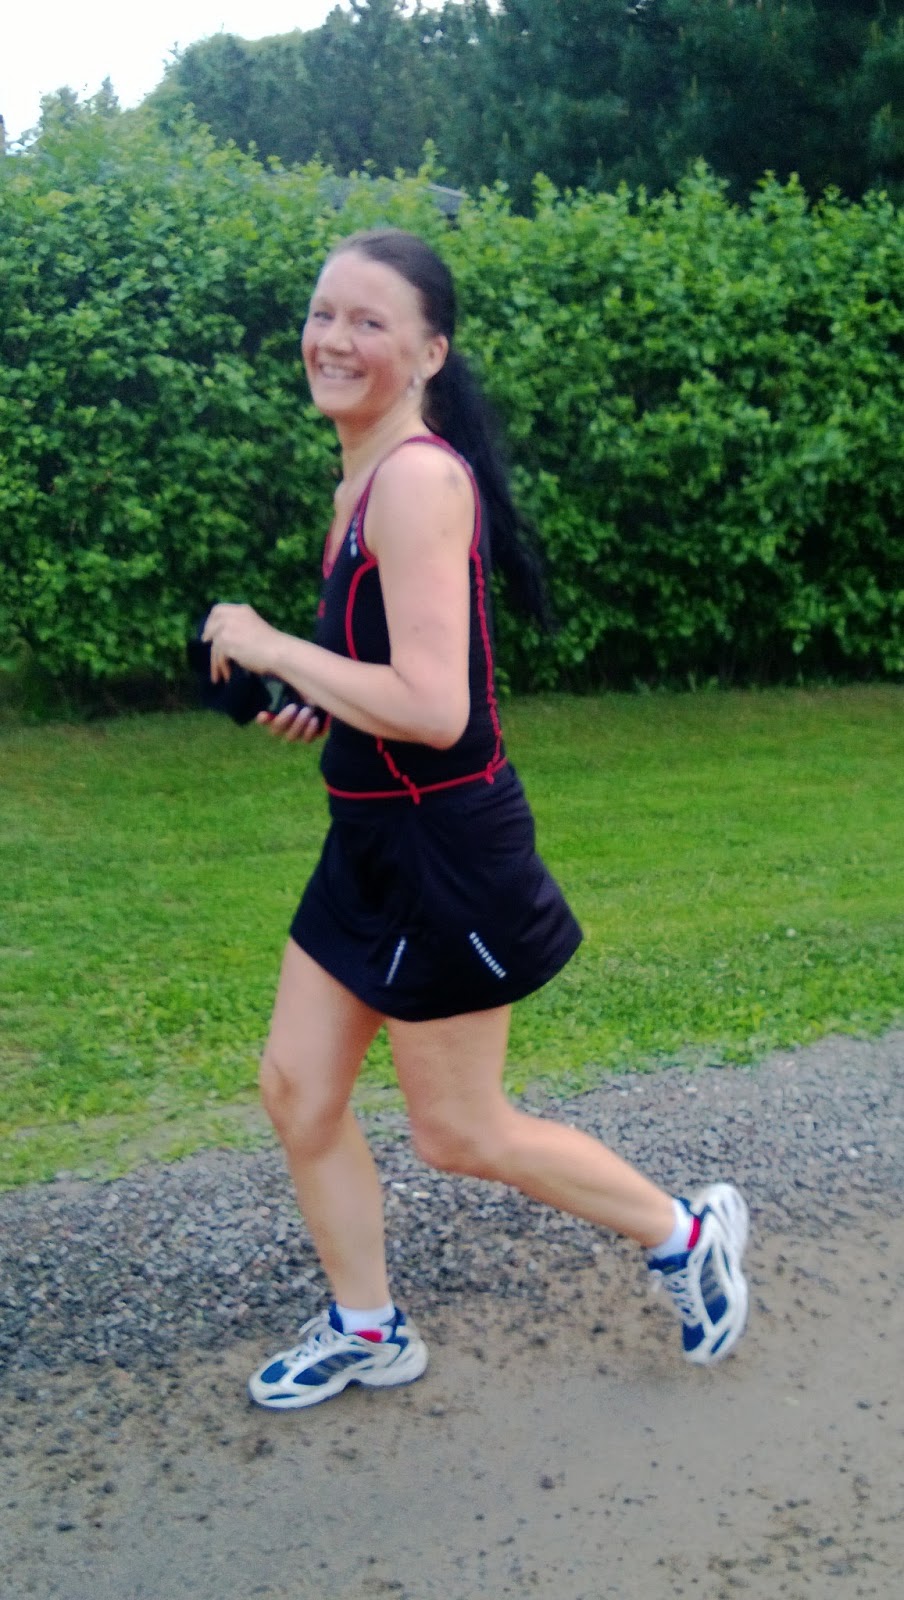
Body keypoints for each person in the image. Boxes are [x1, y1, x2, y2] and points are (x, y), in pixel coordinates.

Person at [202, 228, 749, 1411]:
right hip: (369, 838)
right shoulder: (361, 476)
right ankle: (369, 1327)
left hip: (443, 851)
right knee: (298, 1088)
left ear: (430, 352)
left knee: (458, 1129)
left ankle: (685, 1235)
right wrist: (316, 699)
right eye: (323, 312)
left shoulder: (415, 480)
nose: (333, 338)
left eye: (369, 321)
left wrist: (274, 643)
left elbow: (436, 709)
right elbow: (388, 679)